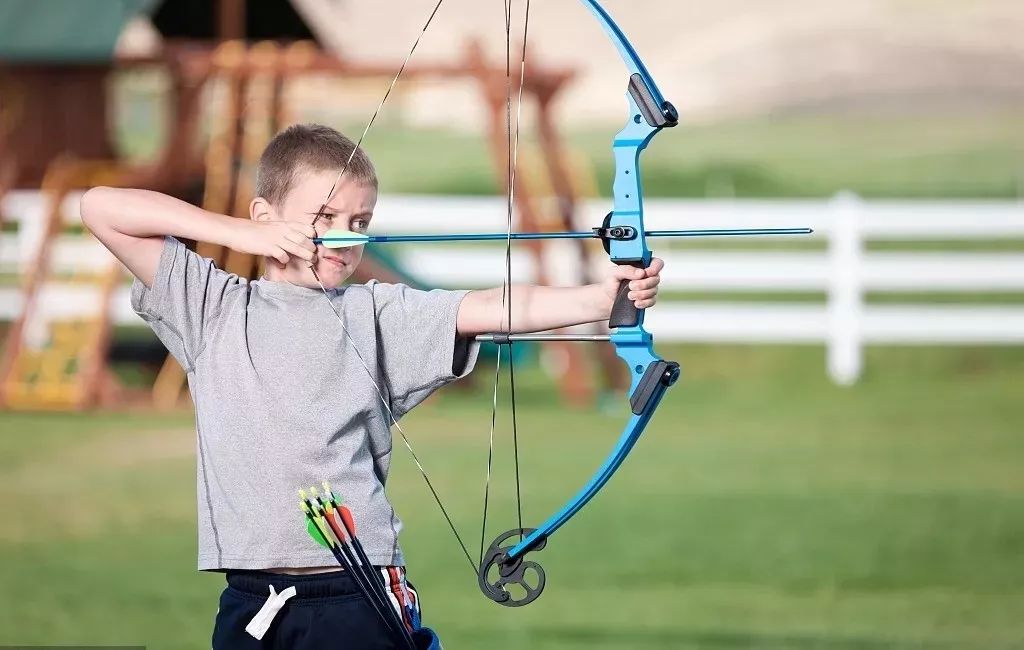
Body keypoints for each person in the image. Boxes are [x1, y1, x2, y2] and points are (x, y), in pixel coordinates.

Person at [80, 123, 664, 648]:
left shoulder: (376, 313)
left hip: (357, 590)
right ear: (265, 216)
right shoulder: (211, 308)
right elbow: (101, 207)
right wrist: (235, 232)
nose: (343, 237)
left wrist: (603, 298)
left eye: (359, 223)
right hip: (253, 597)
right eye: (324, 218)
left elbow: (491, 306)